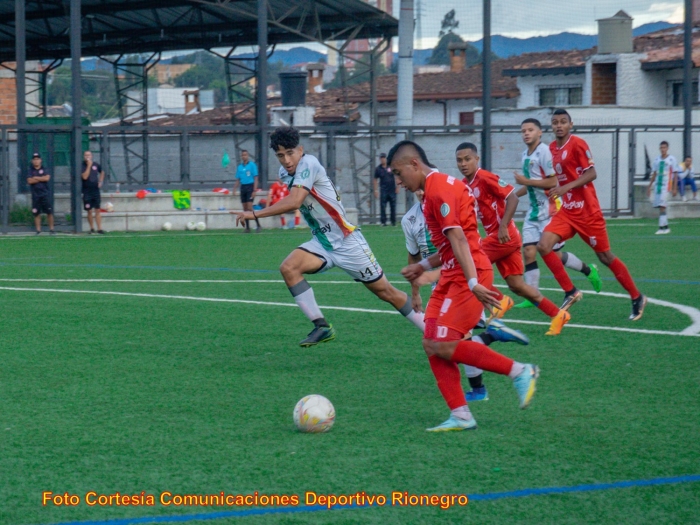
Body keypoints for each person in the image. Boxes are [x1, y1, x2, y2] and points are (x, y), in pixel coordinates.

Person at [389, 140, 539, 432]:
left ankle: (521, 371)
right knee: (431, 343)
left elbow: (458, 239)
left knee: (443, 344)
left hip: (468, 274)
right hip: (451, 273)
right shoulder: (439, 187)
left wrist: (472, 282)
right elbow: (451, 244)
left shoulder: (438, 190)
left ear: (414, 165)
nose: (398, 181)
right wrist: (423, 265)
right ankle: (461, 415)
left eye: (398, 173)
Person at [232, 127, 425, 347]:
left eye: (290, 153)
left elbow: (295, 201)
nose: (286, 160)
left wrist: (254, 213)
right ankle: (321, 326)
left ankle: (432, 331)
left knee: (387, 293)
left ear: (301, 150)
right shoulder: (286, 173)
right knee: (289, 268)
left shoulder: (309, 164)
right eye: (280, 155)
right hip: (322, 243)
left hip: (347, 242)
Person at [401, 188, 530, 404]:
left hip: (460, 281)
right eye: (417, 190)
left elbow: (462, 251)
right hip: (439, 289)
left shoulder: (447, 209)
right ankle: (477, 387)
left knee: (447, 345)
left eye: (425, 188)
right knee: (439, 343)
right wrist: (415, 291)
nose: (422, 193)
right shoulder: (410, 220)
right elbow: (413, 259)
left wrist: (438, 274)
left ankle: (504, 370)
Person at [538, 109, 646, 321]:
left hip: (588, 213)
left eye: (563, 122)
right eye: (555, 122)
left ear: (571, 124)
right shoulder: (551, 149)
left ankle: (637, 296)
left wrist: (566, 187)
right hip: (567, 212)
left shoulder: (578, 144)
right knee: (543, 246)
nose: (559, 125)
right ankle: (571, 291)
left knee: (605, 256)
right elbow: (551, 178)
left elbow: (592, 173)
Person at [456, 142, 571, 336]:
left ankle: (500, 301)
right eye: (459, 160)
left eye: (467, 159)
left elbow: (513, 197)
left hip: (503, 237)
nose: (463, 164)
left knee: (465, 267)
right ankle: (558, 314)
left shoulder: (484, 177)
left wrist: (502, 226)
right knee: (517, 285)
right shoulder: (464, 184)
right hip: (503, 239)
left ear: (477, 159)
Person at [513, 118, 601, 309]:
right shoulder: (524, 154)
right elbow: (530, 182)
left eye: (530, 130)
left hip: (550, 209)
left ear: (539, 133)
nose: (526, 133)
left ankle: (588, 270)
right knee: (528, 251)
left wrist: (525, 182)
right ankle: (532, 295)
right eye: (523, 131)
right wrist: (512, 195)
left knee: (553, 254)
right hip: (534, 210)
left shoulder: (544, 152)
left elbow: (552, 182)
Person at [648, 141, 679, 235]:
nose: (663, 149)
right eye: (661, 148)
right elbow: (654, 173)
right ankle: (666, 227)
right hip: (658, 185)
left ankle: (661, 228)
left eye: (664, 147)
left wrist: (674, 188)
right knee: (661, 207)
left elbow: (675, 173)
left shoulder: (672, 159)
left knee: (662, 206)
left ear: (667, 148)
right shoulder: (657, 160)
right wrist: (649, 186)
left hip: (666, 185)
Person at [27, 152, 54, 235]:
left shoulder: (44, 169)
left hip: (45, 194)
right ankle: (38, 230)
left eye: (37, 159)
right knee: (36, 213)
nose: (36, 161)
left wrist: (36, 178)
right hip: (35, 195)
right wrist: (40, 178)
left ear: (40, 160)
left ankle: (52, 230)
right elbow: (29, 181)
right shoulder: (30, 170)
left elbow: (47, 178)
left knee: (49, 212)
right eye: (34, 159)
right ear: (32, 161)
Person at [234, 149, 261, 233]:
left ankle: (258, 225)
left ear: (248, 156)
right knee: (245, 209)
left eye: (245, 155)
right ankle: (247, 228)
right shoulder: (240, 167)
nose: (244, 156)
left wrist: (254, 190)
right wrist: (234, 189)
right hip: (243, 188)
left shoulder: (252, 165)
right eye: (243, 155)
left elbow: (256, 177)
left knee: (250, 207)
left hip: (250, 187)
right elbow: (238, 179)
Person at [81, 151, 105, 234]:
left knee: (97, 209)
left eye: (89, 155)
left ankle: (100, 228)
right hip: (87, 191)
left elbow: (102, 172)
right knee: (89, 210)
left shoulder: (96, 164)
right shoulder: (82, 165)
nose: (87, 156)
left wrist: (101, 181)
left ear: (92, 156)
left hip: (95, 190)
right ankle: (91, 228)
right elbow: (84, 176)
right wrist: (89, 165)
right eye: (86, 155)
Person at [374, 153, 398, 226]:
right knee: (383, 206)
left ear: (386, 158)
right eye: (381, 158)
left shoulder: (391, 167)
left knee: (393, 206)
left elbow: (396, 176)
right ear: (380, 159)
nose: (383, 159)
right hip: (383, 190)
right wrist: (375, 190)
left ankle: (393, 221)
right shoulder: (378, 169)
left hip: (392, 190)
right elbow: (375, 179)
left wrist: (398, 187)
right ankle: (383, 222)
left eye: (384, 158)